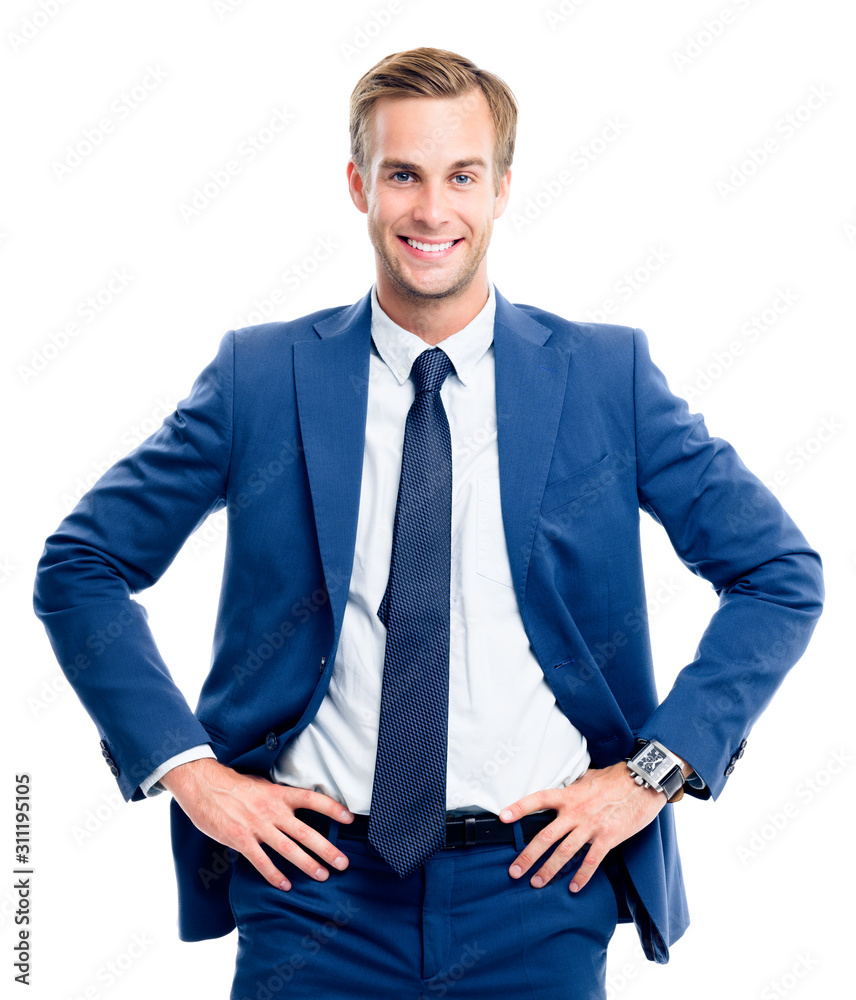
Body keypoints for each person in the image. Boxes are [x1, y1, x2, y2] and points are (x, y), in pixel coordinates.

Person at [33, 47, 824, 999]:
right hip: (311, 893)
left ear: (501, 191)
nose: (432, 210)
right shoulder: (262, 377)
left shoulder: (606, 379)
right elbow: (81, 565)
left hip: (537, 887)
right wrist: (189, 770)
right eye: (403, 174)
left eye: (462, 176)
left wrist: (653, 773)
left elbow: (778, 573)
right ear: (360, 185)